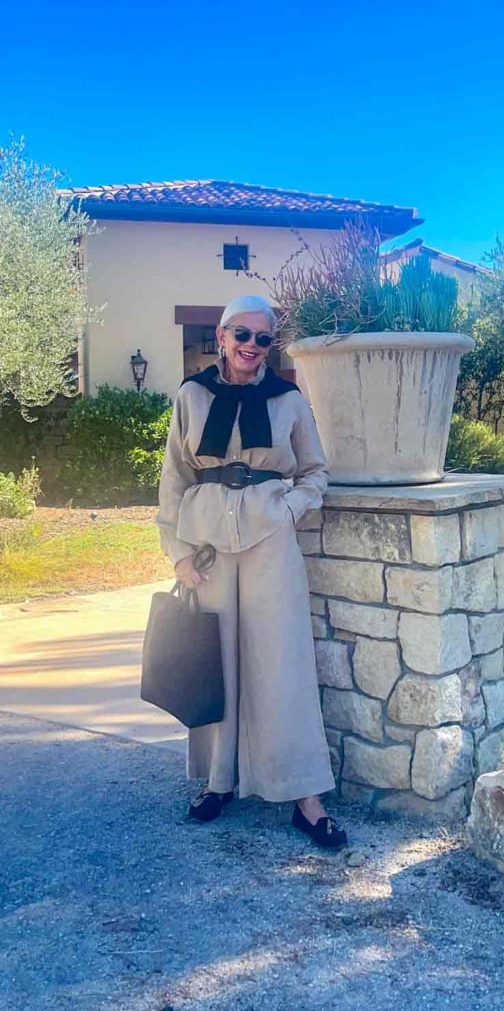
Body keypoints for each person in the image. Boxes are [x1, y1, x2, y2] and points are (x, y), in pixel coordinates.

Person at [156, 295, 346, 848]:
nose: (251, 346)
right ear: (221, 336)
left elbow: (315, 470)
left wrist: (290, 508)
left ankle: (305, 798)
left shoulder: (288, 399)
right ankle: (219, 781)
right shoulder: (192, 395)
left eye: (263, 338)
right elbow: (174, 477)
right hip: (207, 546)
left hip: (268, 539)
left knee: (282, 663)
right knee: (216, 662)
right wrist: (178, 553)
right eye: (241, 334)